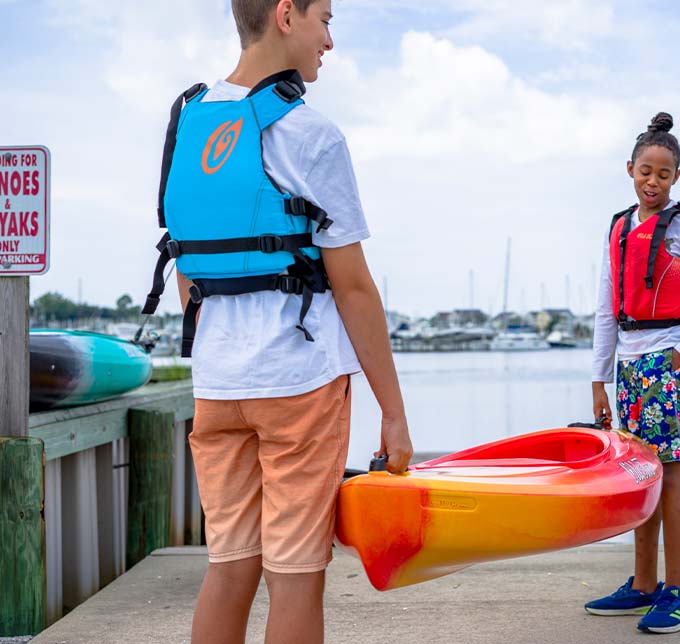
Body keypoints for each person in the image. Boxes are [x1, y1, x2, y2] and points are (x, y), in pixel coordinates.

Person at [142, 1, 413, 642]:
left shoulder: (188, 121)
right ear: (286, 15)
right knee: (295, 573)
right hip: (298, 382)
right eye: (324, 18)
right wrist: (394, 414)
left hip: (216, 383)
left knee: (230, 564)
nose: (330, 40)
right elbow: (352, 286)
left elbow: (187, 258)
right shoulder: (311, 135)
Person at [584, 112, 680, 634]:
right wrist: (599, 379)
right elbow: (606, 307)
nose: (653, 181)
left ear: (676, 178)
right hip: (628, 367)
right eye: (645, 170)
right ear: (630, 169)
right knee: (639, 472)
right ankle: (643, 585)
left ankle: (678, 593)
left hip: (667, 362)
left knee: (669, 472)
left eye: (664, 174)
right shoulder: (618, 226)